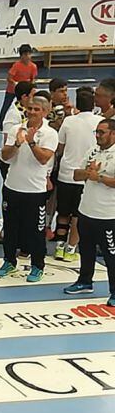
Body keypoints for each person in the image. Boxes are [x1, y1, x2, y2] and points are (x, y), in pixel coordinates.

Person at [0, 96, 57, 282]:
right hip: (12, 187)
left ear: (45, 112)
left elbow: (44, 159)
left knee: (35, 231)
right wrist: (16, 143)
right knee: (10, 227)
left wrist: (31, 142)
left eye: (36, 109)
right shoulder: (16, 129)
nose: (31, 112)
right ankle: (9, 261)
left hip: (35, 192)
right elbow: (5, 157)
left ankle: (37, 266)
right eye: (29, 108)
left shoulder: (50, 133)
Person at [64, 119, 115, 305]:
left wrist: (98, 177)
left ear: (113, 133)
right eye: (97, 132)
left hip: (108, 215)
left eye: (102, 132)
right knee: (85, 250)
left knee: (111, 255)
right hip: (86, 211)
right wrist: (88, 173)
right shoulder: (93, 151)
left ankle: (114, 291)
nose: (98, 136)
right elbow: (76, 174)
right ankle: (85, 281)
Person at [54, 88, 101, 262]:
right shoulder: (100, 121)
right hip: (86, 176)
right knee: (77, 215)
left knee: (63, 212)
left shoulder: (68, 121)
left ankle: (59, 246)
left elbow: (59, 148)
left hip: (66, 173)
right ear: (93, 104)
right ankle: (71, 249)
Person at [0, 44, 37, 130]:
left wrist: (31, 88)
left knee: (27, 106)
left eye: (29, 54)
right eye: (25, 54)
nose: (28, 56)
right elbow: (9, 78)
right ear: (21, 55)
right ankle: (0, 124)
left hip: (25, 91)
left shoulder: (33, 67)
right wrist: (15, 83)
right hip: (12, 90)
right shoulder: (16, 65)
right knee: (6, 106)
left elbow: (33, 79)